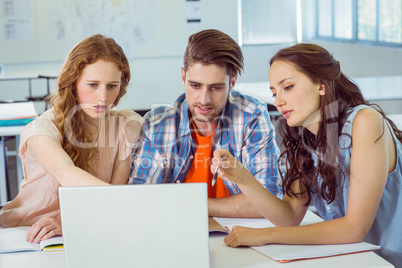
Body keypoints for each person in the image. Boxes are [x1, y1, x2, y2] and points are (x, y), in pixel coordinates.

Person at [211, 43, 402, 266]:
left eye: (288, 87)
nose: (278, 101)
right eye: (274, 92)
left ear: (321, 84)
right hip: (356, 260)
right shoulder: (305, 140)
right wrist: (241, 177)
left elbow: (354, 229)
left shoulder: (365, 122)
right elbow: (289, 216)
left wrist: (265, 235)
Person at [0, 34, 144, 244]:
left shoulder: (126, 125)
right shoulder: (42, 129)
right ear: (73, 82)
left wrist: (74, 221)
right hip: (29, 234)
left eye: (112, 86)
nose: (103, 97)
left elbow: (114, 195)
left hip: (88, 227)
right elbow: (67, 174)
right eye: (93, 85)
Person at [129, 29, 282, 217]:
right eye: (195, 85)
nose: (204, 100)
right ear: (183, 77)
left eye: (216, 87)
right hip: (178, 232)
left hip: (241, 232)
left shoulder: (251, 116)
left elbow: (270, 199)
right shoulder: (157, 124)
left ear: (232, 81)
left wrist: (191, 206)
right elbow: (142, 199)